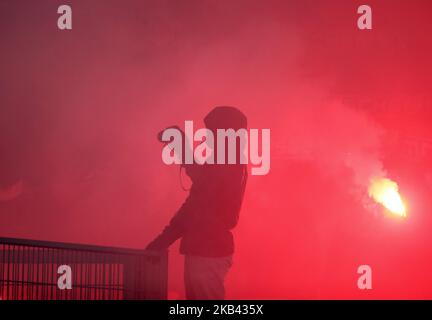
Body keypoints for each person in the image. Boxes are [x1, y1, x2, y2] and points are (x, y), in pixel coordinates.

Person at [146, 106, 248, 300]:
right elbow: (194, 207)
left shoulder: (230, 162)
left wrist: (181, 147)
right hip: (204, 250)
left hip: (208, 253)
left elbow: (202, 185)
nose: (208, 137)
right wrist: (164, 239)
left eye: (212, 131)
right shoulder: (224, 161)